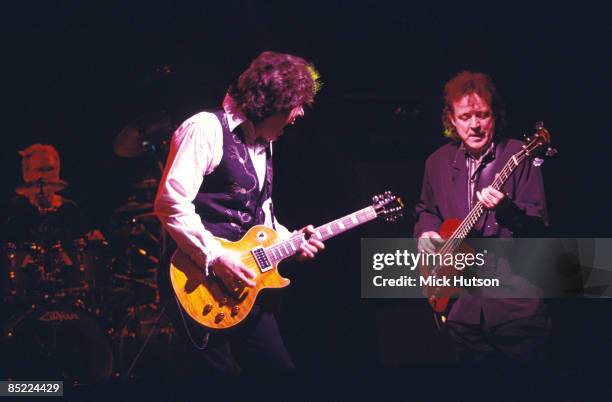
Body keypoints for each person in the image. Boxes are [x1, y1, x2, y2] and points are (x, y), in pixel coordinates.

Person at [154, 51, 325, 376]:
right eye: (295, 105)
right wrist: (217, 256)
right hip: (198, 283)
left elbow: (258, 217)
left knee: (279, 374)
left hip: (245, 288)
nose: (299, 114)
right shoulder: (205, 128)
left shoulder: (263, 142)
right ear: (272, 103)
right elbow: (170, 202)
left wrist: (290, 241)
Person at [414, 72, 550, 384]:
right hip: (460, 307)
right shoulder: (436, 162)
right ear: (451, 118)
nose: (474, 125)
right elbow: (427, 211)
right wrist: (426, 233)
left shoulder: (518, 154)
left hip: (515, 306)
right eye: (465, 116)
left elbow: (539, 227)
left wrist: (506, 209)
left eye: (482, 115)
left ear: (495, 115)